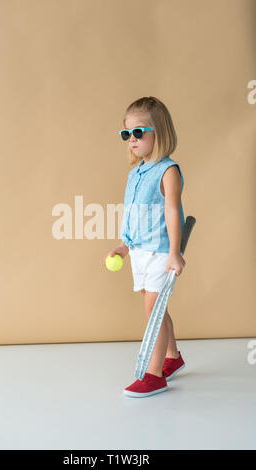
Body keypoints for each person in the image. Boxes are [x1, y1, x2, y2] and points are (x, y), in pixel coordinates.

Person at [104, 96, 186, 398]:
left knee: (153, 310)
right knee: (157, 307)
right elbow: (134, 215)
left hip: (160, 252)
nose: (131, 139)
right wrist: (124, 247)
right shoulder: (136, 173)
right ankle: (173, 358)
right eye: (127, 133)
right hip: (139, 251)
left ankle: (153, 375)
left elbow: (172, 212)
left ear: (159, 132)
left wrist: (175, 252)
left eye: (139, 132)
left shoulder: (168, 171)